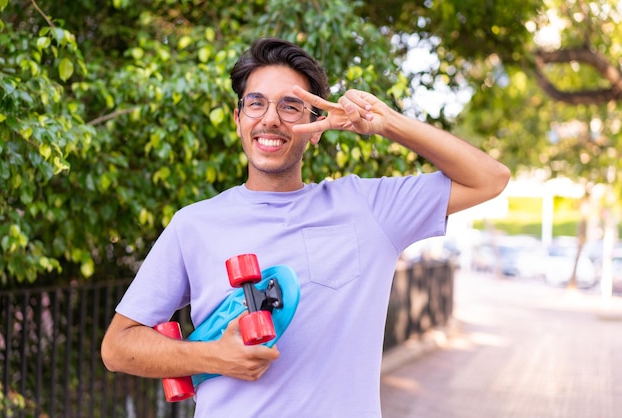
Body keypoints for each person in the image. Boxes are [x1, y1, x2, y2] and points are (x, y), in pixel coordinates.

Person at [101, 37, 510, 417]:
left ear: (317, 126)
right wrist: (211, 356)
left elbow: (489, 178)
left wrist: (385, 122)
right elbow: (118, 347)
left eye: (291, 106)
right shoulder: (193, 224)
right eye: (256, 104)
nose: (271, 119)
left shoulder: (369, 209)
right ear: (238, 118)